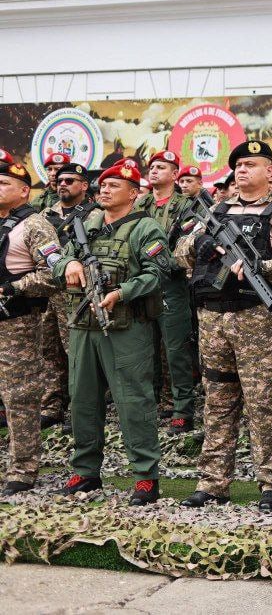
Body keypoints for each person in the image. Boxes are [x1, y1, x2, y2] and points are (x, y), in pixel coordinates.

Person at [176, 140, 272, 512]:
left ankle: (271, 483)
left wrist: (259, 268)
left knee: (263, 402)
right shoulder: (215, 211)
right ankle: (212, 482)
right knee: (218, 401)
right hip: (213, 318)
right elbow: (180, 252)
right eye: (239, 165)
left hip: (258, 321)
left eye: (252, 164)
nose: (243, 170)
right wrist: (201, 244)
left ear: (270, 171)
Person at [52, 160, 168, 505]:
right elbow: (59, 258)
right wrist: (69, 264)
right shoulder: (86, 222)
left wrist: (123, 292)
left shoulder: (145, 228)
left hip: (127, 327)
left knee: (134, 401)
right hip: (84, 325)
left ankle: (146, 476)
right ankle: (86, 471)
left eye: (114, 186)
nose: (104, 189)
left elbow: (158, 272)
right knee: (83, 399)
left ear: (134, 193)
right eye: (102, 185)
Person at [0, 151, 60, 495]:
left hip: (16, 322)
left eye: (5, 182)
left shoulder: (35, 224)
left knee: (19, 397)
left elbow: (54, 274)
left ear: (24, 191)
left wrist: (13, 287)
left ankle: (22, 469)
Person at [136, 150, 198, 436]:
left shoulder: (187, 206)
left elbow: (189, 245)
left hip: (171, 284)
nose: (155, 171)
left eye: (162, 167)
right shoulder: (140, 203)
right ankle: (153, 405)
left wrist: (164, 261)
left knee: (176, 351)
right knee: (145, 350)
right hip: (141, 284)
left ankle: (183, 409)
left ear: (175, 174)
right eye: (152, 167)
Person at [37, 159, 96, 429]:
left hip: (74, 292)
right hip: (45, 290)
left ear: (84, 186)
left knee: (76, 352)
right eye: (60, 180)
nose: (62, 184)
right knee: (47, 349)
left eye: (69, 180)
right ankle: (51, 405)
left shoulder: (94, 213)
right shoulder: (45, 213)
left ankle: (79, 407)